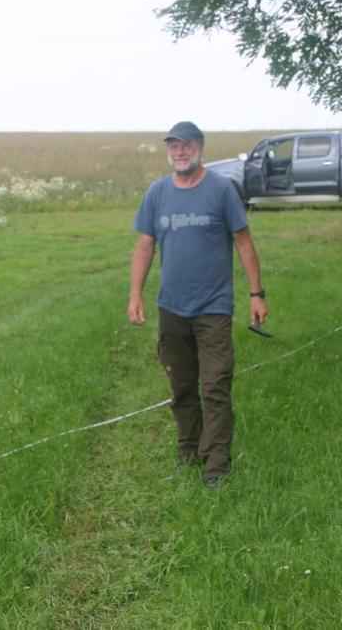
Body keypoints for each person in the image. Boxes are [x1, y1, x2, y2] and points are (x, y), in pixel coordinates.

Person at [127, 121, 268, 488]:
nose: (180, 151)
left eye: (187, 145)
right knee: (182, 387)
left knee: (216, 386)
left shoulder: (221, 190)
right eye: (174, 146)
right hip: (172, 308)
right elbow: (145, 246)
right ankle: (188, 452)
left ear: (200, 147)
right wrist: (135, 295)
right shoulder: (157, 193)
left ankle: (216, 468)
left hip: (213, 307)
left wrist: (256, 294)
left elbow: (243, 242)